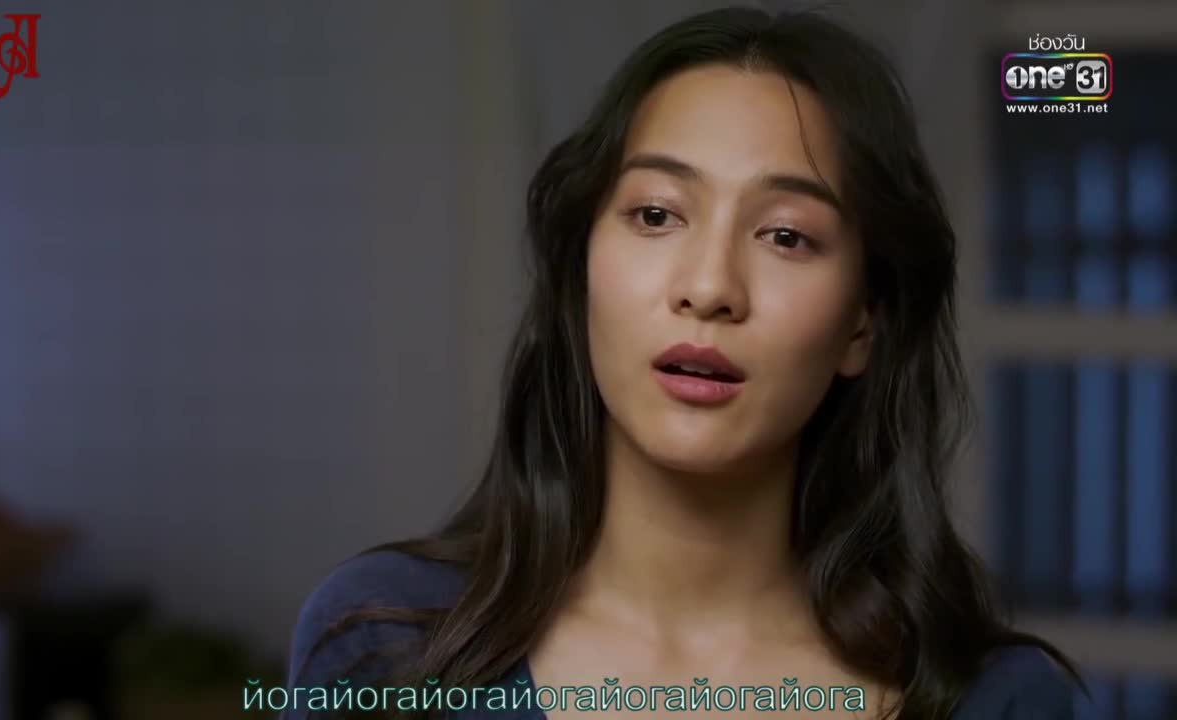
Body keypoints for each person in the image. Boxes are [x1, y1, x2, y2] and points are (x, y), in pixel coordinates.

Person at [283, 6, 1085, 719]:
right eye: (656, 214)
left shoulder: (996, 700)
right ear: (582, 271)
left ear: (860, 324)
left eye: (786, 235)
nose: (709, 288)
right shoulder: (385, 645)